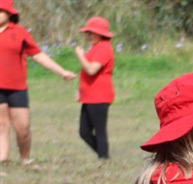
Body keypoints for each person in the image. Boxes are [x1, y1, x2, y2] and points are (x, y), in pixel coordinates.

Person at [0, 0, 76, 163]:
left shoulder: (20, 33)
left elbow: (38, 55)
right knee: (2, 126)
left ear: (9, 14)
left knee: (23, 128)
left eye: (1, 11)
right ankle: (3, 160)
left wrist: (61, 72)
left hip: (17, 88)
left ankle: (25, 158)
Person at [73, 16, 114, 159]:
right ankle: (103, 155)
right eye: (87, 33)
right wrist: (80, 90)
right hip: (89, 96)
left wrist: (80, 55)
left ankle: (103, 156)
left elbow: (91, 69)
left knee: (99, 130)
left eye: (92, 33)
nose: (88, 36)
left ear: (100, 34)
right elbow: (86, 73)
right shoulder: (96, 48)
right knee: (84, 131)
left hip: (99, 95)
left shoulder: (104, 48)